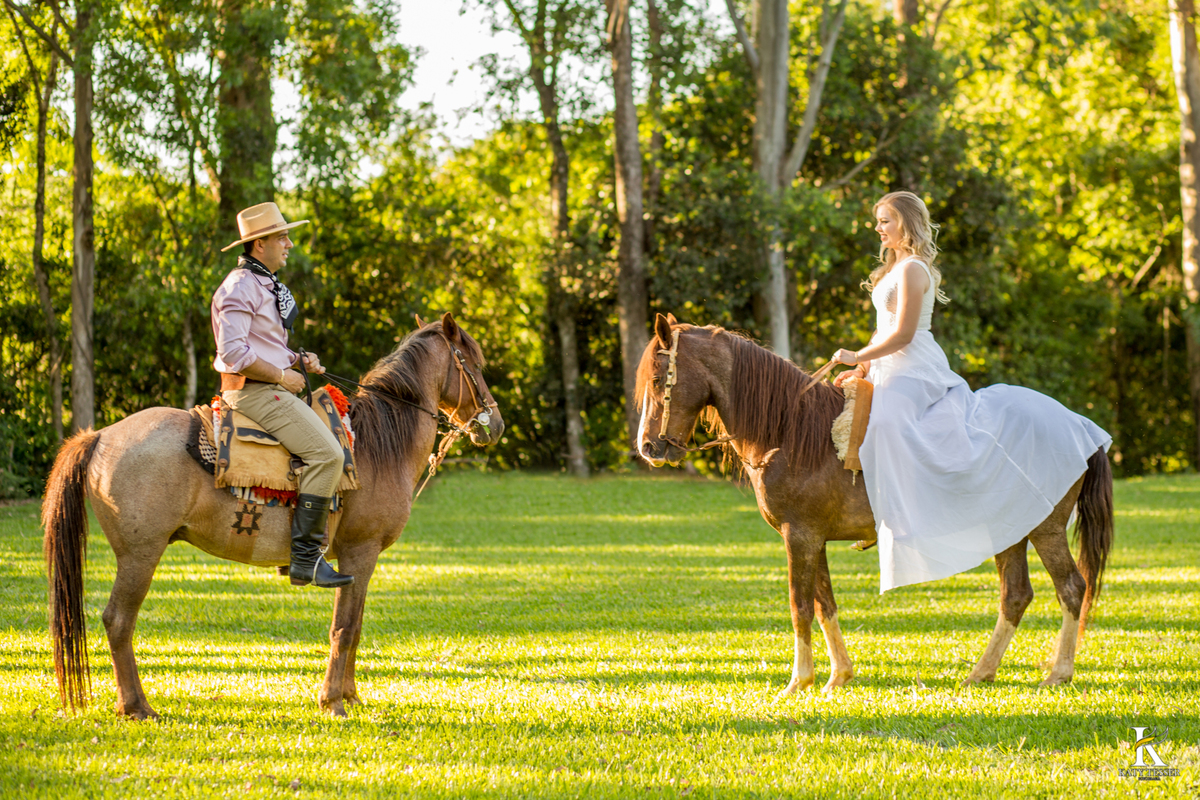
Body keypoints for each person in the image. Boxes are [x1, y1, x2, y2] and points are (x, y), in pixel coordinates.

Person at [830, 191, 1111, 592]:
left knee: (890, 424)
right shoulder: (890, 270)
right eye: (877, 220)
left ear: (905, 223)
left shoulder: (913, 270)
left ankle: (905, 515)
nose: (878, 228)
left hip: (913, 366)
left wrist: (857, 353)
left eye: (885, 220)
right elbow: (883, 328)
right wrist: (861, 366)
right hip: (886, 364)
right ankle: (881, 510)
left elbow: (905, 333)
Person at [212, 202, 353, 589]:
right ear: (259, 245)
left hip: (272, 384)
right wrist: (281, 375)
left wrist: (297, 360)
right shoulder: (240, 287)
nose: (289, 244)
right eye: (282, 237)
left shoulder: (264, 283)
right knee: (328, 455)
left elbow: (264, 343)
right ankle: (306, 559)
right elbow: (234, 354)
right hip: (255, 392)